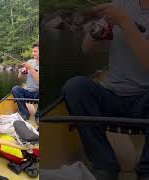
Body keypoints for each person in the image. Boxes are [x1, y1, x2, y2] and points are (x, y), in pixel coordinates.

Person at [62, 0, 149, 180]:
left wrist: (124, 22)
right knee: (75, 87)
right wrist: (98, 32)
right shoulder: (121, 4)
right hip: (113, 97)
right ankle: (104, 167)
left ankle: (146, 172)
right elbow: (87, 50)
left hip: (145, 101)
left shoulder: (122, 13)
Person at [11, 42, 39, 121]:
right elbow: (19, 77)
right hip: (28, 92)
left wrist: (31, 68)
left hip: (38, 94)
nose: (32, 53)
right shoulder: (30, 62)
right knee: (15, 89)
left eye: (35, 51)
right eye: (32, 51)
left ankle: (38, 115)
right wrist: (21, 71)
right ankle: (25, 113)